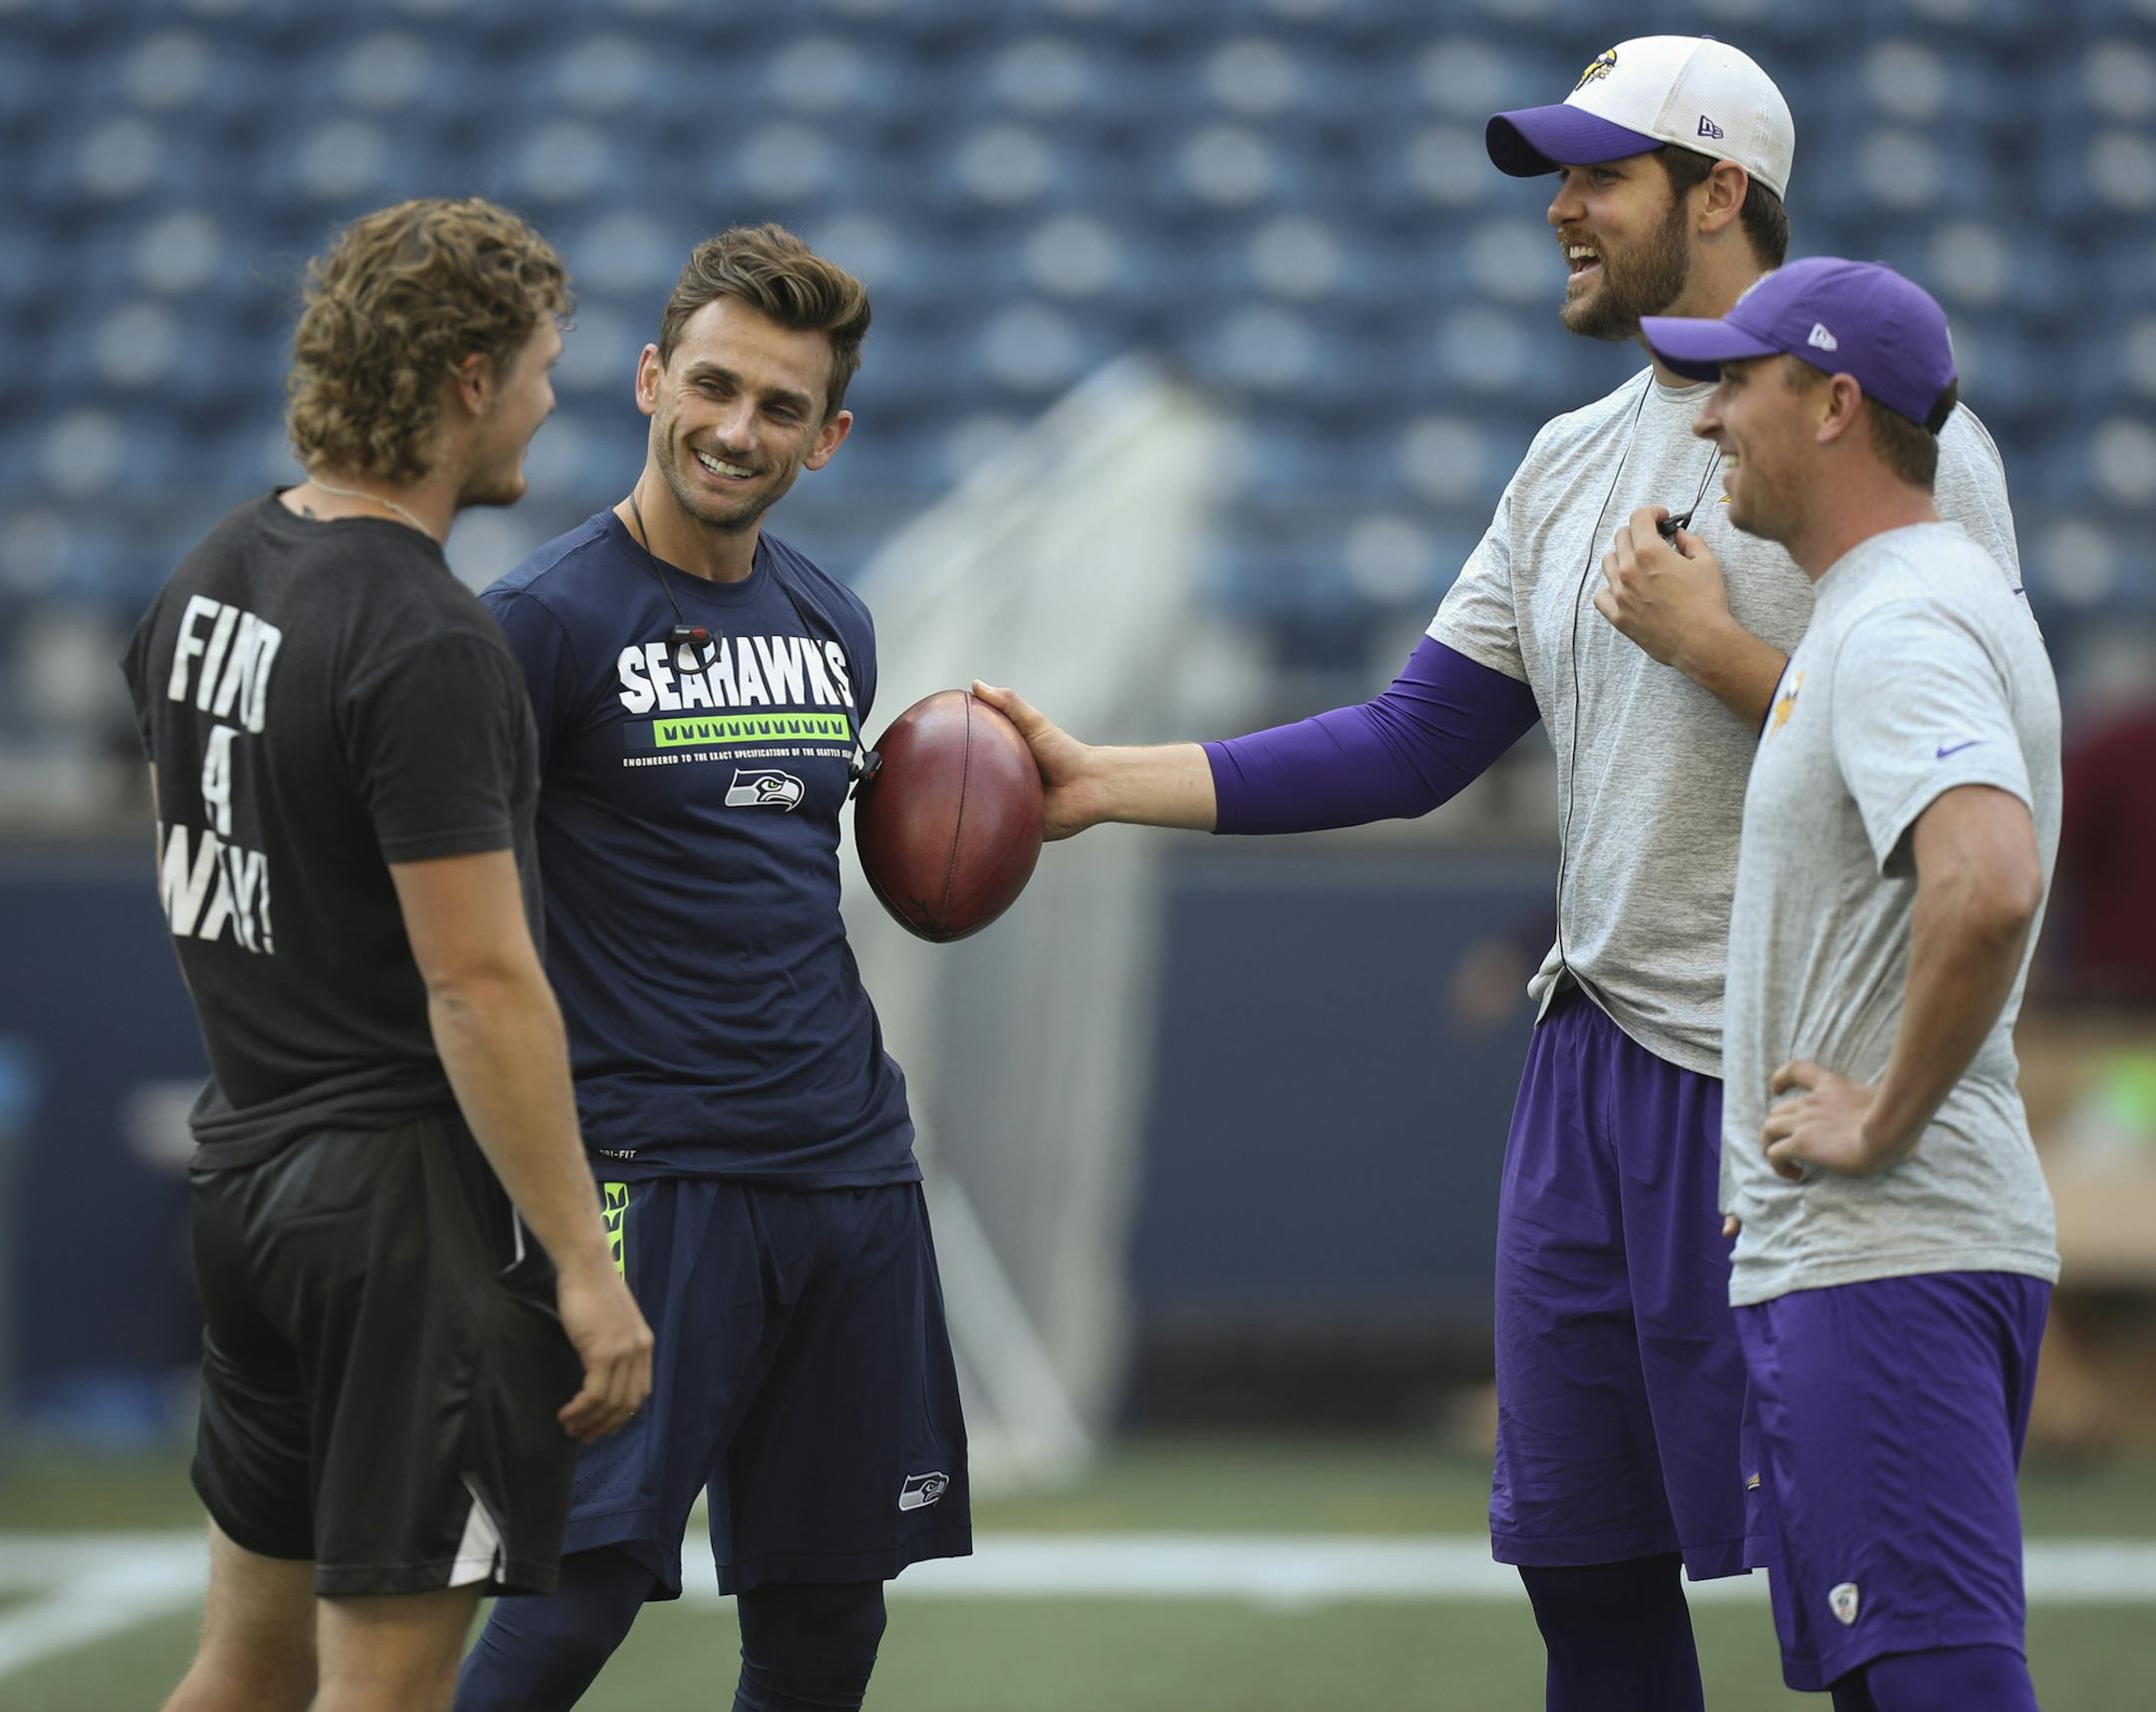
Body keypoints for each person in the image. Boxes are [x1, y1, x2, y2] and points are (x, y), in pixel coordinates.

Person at [973, 36, 2024, 1712]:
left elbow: (1957, 769)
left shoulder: (1885, 436)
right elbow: (1409, 742)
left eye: (1600, 176)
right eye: (1559, 176)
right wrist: (1105, 782)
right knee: (1583, 1576)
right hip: (1590, 1077)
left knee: (1879, 1615)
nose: (1563, 211)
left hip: (1781, 1083)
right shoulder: (1566, 462)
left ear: (1721, 192)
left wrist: (1714, 653)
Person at [119, 197, 654, 1712]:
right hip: (405, 1229)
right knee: (383, 1694)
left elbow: (207, 887)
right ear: (470, 379)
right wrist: (585, 1268)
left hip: (251, 1182)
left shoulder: (211, 575)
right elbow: (478, 984)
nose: (556, 398)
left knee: (245, 1665)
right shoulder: (427, 638)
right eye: (546, 366)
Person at [453, 225, 970, 1712]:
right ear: (648, 382)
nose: (740, 430)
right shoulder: (537, 627)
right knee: (574, 1592)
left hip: (849, 1173)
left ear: (830, 436)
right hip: (646, 1176)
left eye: (782, 408)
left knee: (826, 1621)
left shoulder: (834, 622)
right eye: (716, 386)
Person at [1637, 259, 2059, 1710]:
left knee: (1940, 1684)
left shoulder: (1899, 623)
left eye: (1734, 383)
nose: (1703, 424)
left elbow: (1988, 876)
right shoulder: (1884, 609)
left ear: (1831, 405)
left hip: (1894, 1257)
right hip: (1877, 1262)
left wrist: (1881, 1118)